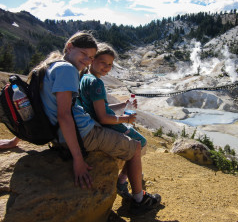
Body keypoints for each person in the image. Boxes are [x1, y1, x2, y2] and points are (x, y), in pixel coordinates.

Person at [30, 31, 161, 215]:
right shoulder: (67, 70)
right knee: (136, 147)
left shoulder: (51, 66)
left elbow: (35, 105)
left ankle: (129, 186)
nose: (87, 60)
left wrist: (15, 141)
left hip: (68, 133)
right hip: (84, 134)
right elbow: (64, 115)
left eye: (90, 57)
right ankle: (139, 199)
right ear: (69, 47)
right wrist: (78, 159)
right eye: (84, 54)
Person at [77, 43, 147, 200]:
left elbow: (101, 108)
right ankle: (122, 181)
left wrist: (123, 105)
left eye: (110, 64)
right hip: (106, 124)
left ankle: (124, 177)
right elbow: (103, 117)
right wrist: (126, 118)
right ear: (92, 59)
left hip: (96, 123)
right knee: (141, 142)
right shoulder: (97, 83)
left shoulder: (85, 78)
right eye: (103, 62)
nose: (107, 67)